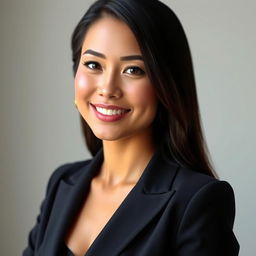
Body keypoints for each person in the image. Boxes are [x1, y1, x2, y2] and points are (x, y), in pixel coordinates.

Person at [23, 0, 240, 255]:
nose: (107, 88)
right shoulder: (62, 183)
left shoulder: (197, 201)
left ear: (166, 85)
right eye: (93, 65)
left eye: (133, 70)